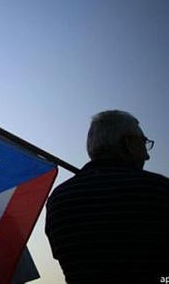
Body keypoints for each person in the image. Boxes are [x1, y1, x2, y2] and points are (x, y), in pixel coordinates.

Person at [45, 110, 169, 283]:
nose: (147, 155)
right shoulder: (160, 190)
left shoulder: (58, 199)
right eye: (144, 142)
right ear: (129, 143)